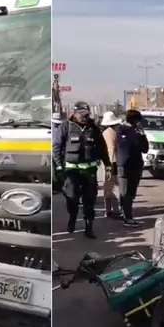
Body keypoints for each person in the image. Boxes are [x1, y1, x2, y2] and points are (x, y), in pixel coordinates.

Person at [53, 101, 110, 238]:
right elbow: (56, 147)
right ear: (74, 113)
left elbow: (102, 148)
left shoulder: (93, 129)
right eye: (82, 114)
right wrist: (59, 167)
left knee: (89, 200)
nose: (84, 117)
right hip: (71, 172)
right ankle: (72, 218)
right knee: (72, 198)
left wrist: (107, 165)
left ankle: (88, 227)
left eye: (86, 115)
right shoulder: (65, 127)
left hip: (89, 172)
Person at [116, 110, 150, 227]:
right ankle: (128, 218)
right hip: (133, 166)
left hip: (121, 164)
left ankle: (124, 214)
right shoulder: (135, 134)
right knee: (129, 193)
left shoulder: (119, 130)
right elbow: (145, 148)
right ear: (136, 121)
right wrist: (143, 133)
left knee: (123, 192)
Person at [100, 110, 123, 219]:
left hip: (110, 163)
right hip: (114, 162)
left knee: (109, 186)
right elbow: (112, 148)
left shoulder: (107, 132)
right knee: (113, 187)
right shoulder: (113, 132)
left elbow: (111, 148)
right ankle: (114, 210)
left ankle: (110, 210)